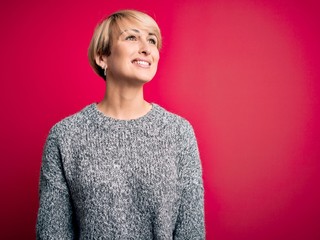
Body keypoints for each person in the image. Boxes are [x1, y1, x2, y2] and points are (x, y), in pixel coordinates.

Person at [36, 9, 205, 239]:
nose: (147, 48)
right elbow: (52, 234)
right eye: (132, 37)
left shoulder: (179, 133)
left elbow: (191, 232)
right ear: (102, 57)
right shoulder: (65, 136)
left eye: (152, 40)